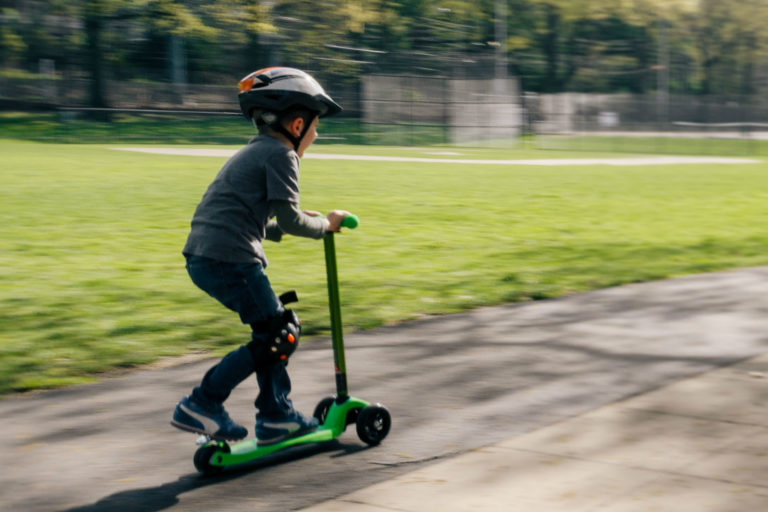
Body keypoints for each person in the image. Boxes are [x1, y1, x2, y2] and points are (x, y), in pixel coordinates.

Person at [171, 67, 350, 445]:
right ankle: (205, 403)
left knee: (273, 332)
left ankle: (274, 416)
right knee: (279, 334)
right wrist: (326, 226)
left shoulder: (255, 151)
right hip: (230, 258)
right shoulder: (283, 155)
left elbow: (255, 221)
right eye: (316, 129)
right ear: (298, 124)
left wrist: (289, 224)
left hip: (207, 254)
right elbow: (289, 219)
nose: (315, 137)